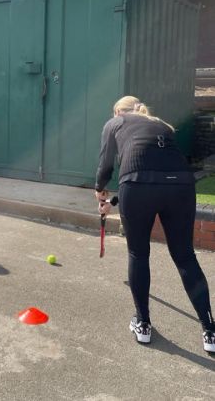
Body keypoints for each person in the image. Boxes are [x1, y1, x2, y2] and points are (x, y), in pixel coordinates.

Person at [95, 95, 214, 353]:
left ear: (118, 112)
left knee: (138, 254)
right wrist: (115, 200)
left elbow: (107, 166)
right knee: (185, 256)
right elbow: (155, 174)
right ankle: (210, 330)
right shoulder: (161, 125)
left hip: (138, 187)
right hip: (181, 185)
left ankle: (143, 324)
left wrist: (100, 191)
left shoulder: (115, 123)